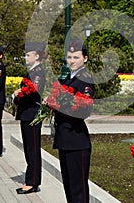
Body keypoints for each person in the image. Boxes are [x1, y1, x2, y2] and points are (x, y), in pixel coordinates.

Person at [52, 39, 95, 203]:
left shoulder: (85, 80)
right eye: (69, 57)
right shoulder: (67, 78)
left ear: (85, 58)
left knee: (78, 190)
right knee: (69, 187)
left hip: (77, 142)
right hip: (65, 140)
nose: (72, 61)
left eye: (76, 57)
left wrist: (57, 105)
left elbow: (84, 110)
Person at [13, 42, 46, 194]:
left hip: (32, 114)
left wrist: (17, 96)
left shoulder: (38, 72)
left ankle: (32, 182)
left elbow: (31, 93)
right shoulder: (32, 72)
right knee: (28, 148)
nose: (25, 57)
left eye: (28, 54)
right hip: (27, 114)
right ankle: (31, 179)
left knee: (32, 149)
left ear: (37, 56)